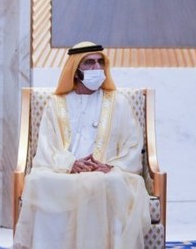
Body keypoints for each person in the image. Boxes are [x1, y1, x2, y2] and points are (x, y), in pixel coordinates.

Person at [13, 42, 151, 249]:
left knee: (110, 183)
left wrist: (113, 167)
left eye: (100, 62)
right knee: (38, 181)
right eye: (89, 63)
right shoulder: (56, 104)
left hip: (105, 171)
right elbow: (47, 146)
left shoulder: (118, 102)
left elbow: (133, 143)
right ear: (75, 70)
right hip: (65, 171)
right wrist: (69, 163)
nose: (97, 68)